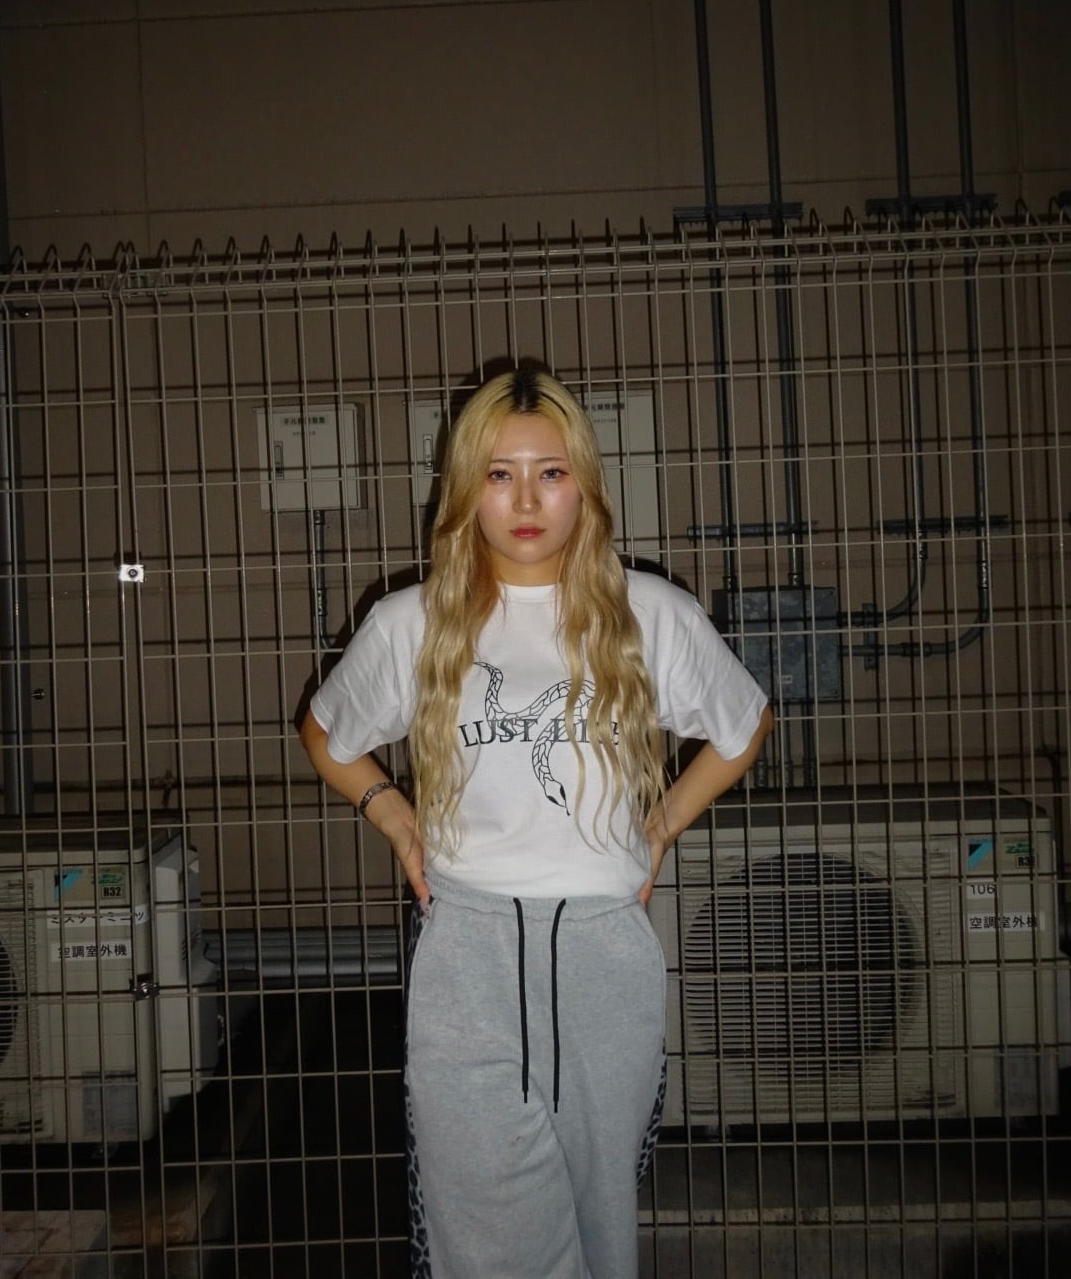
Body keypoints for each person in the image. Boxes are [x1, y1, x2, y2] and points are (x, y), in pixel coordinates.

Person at [300, 364, 772, 1279]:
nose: (525, 500)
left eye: (551, 473)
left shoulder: (648, 614)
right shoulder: (412, 623)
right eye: (499, 473)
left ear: (584, 484)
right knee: (490, 1240)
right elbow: (327, 733)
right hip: (467, 958)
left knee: (601, 1230)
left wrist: (661, 826)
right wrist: (394, 816)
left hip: (605, 958)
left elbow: (744, 724)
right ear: (465, 488)